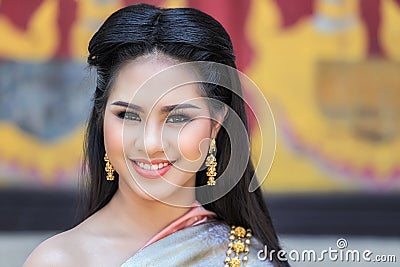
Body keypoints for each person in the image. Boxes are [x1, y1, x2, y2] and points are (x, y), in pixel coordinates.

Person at [24, 3, 290, 267]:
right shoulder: (58, 260)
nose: (150, 143)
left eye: (177, 118)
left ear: (217, 124)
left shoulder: (243, 257)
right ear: (101, 117)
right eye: (127, 116)